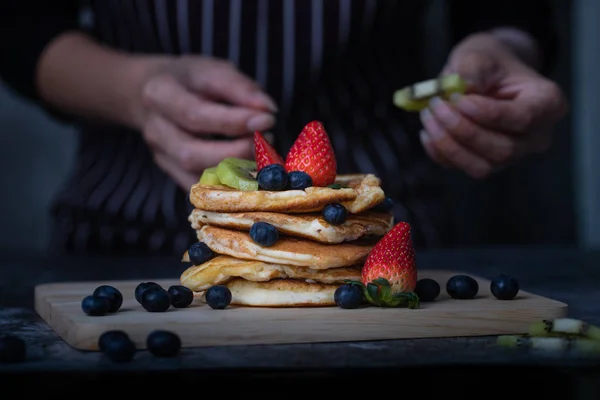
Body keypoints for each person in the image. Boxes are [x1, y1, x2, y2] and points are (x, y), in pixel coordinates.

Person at [0, 0, 567, 255]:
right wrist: (133, 92)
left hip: (379, 234)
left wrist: (499, 50)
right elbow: (19, 25)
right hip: (120, 234)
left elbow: (508, 11)